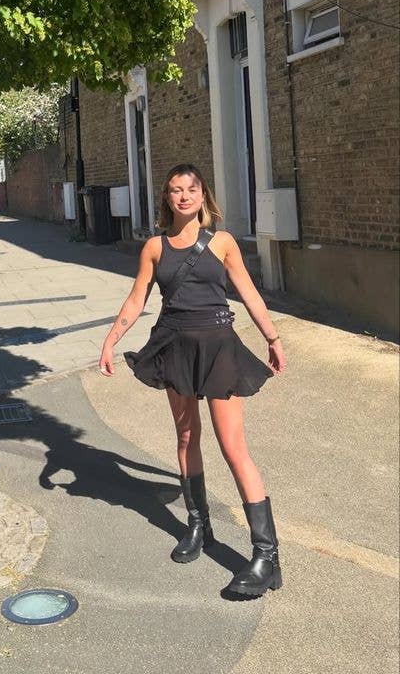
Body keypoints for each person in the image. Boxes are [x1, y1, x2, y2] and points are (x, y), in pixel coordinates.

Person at [98, 163, 286, 597]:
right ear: (166, 198)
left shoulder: (222, 242)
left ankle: (266, 556)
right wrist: (110, 341)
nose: (183, 196)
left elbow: (249, 293)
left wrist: (272, 338)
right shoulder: (154, 247)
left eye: (191, 189)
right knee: (186, 437)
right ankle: (199, 525)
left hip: (218, 347)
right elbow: (136, 300)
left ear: (203, 196)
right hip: (175, 346)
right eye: (175, 190)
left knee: (232, 446)